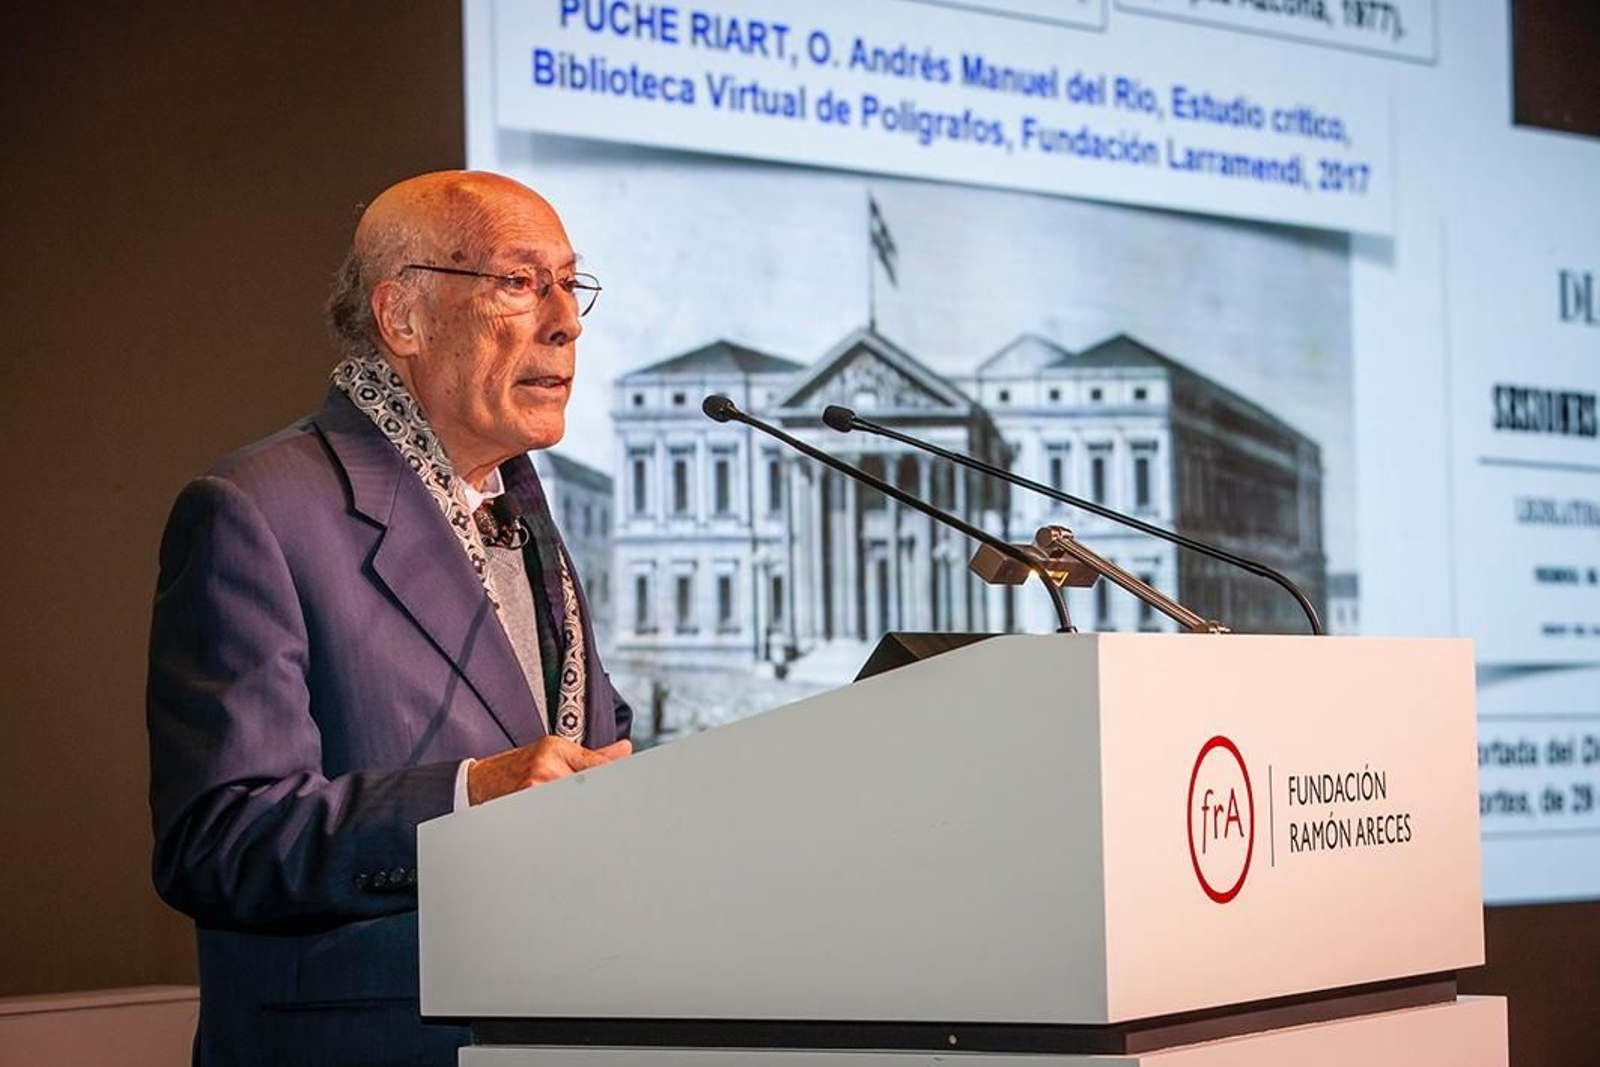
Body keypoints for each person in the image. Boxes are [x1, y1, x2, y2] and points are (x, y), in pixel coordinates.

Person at [146, 171, 633, 1066]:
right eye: (520, 282)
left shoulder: (530, 523)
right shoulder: (257, 509)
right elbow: (218, 840)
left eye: (572, 283)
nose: (565, 318)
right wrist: (466, 796)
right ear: (402, 318)